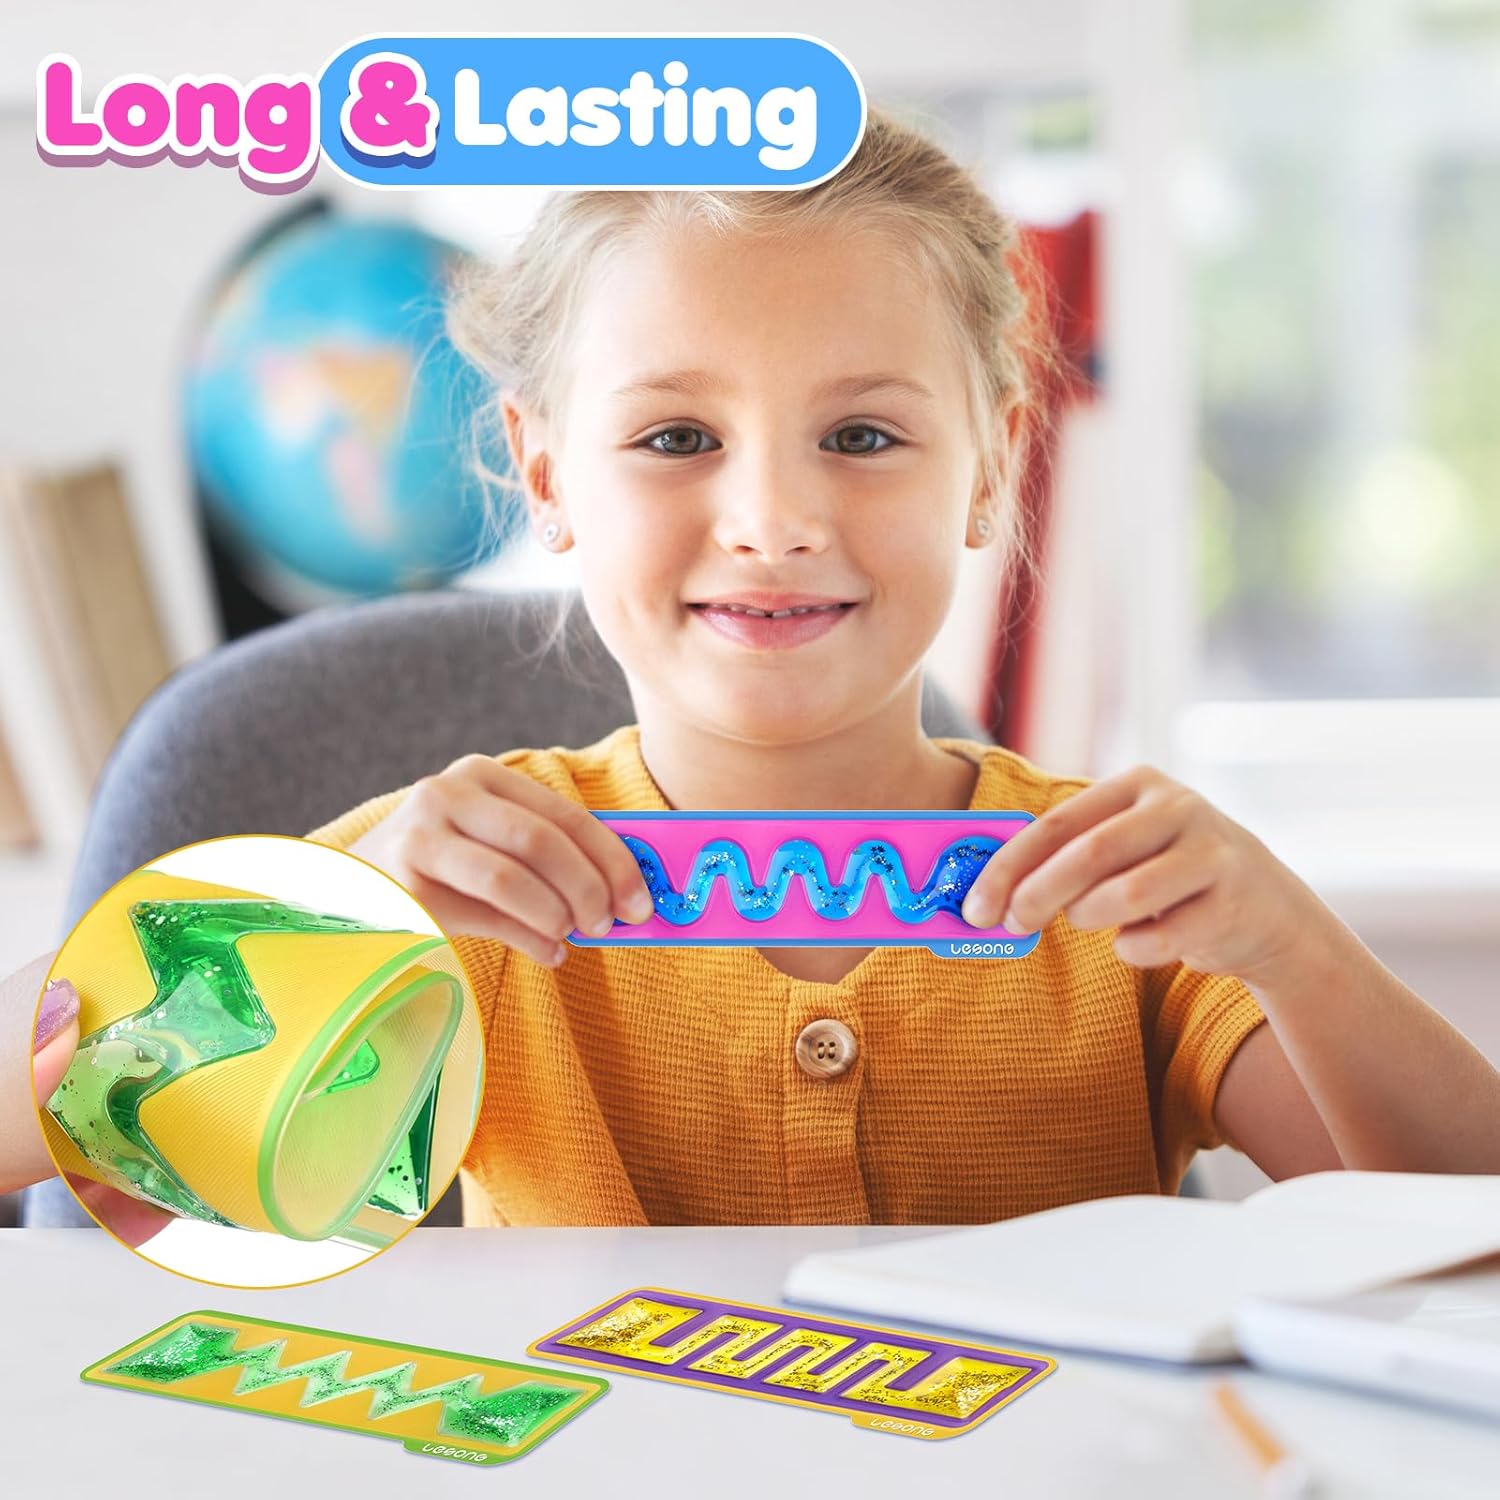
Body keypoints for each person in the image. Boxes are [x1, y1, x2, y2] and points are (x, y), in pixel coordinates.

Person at [5, 109, 1498, 1239]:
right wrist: (325, 936)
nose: (775, 521)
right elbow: (45, 1154)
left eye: (862, 437)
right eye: (673, 438)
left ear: (987, 472)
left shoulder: (1122, 906)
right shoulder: (450, 877)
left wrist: (1290, 945)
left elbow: (1459, 1245)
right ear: (546, 474)